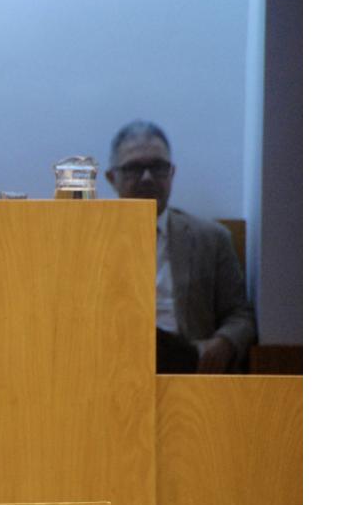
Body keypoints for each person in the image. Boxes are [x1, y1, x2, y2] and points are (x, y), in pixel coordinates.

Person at [105, 120, 256, 373]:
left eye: (158, 167)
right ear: (112, 178)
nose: (147, 177)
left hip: (188, 368)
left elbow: (241, 315)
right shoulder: (94, 241)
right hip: (114, 367)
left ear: (172, 172)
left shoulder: (211, 238)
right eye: (134, 168)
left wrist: (223, 343)